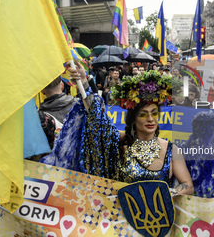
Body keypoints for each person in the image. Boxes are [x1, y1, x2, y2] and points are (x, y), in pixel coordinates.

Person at [41, 67, 194, 195]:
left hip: (157, 222)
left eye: (154, 113)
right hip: (121, 223)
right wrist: (84, 82)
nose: (150, 119)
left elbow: (187, 185)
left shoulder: (172, 149)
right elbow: (97, 119)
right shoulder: (119, 141)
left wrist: (167, 194)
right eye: (143, 114)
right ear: (133, 119)